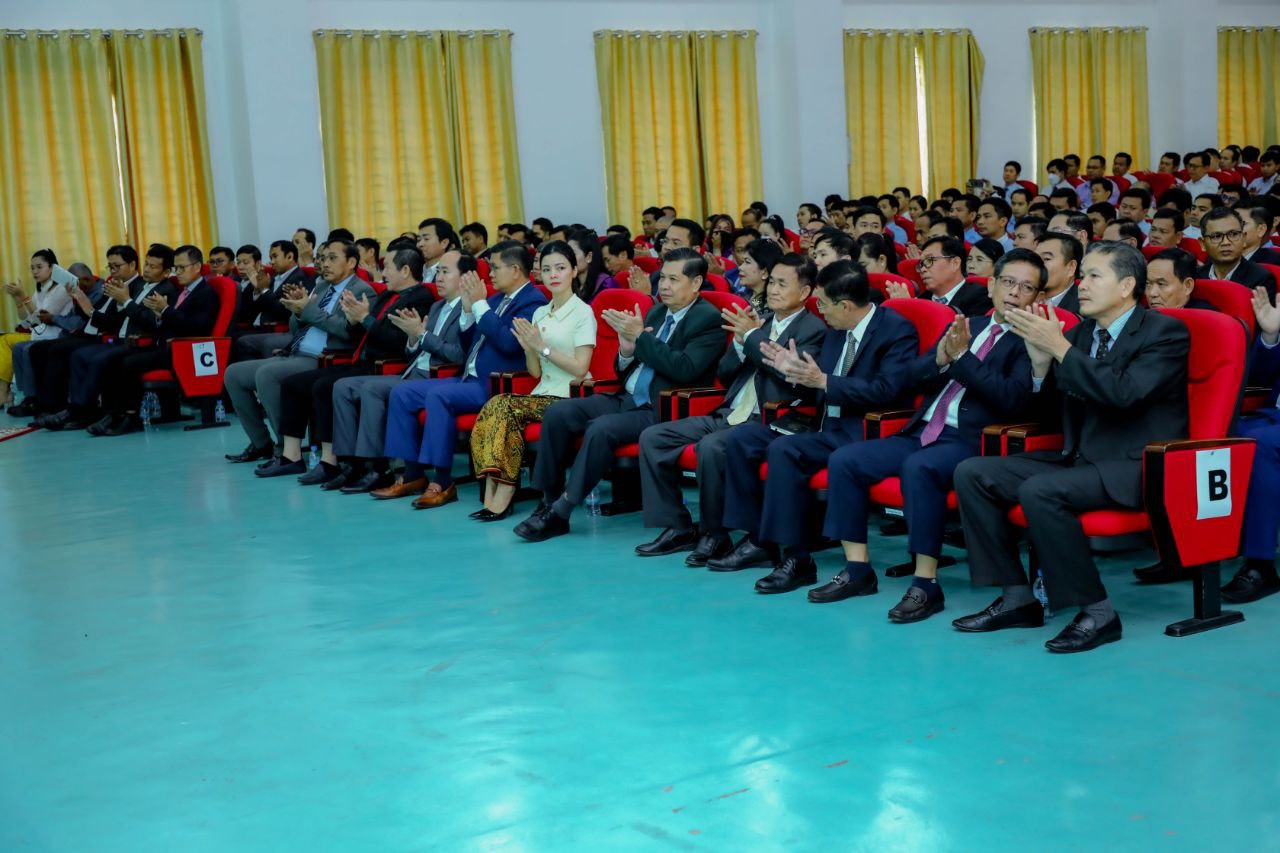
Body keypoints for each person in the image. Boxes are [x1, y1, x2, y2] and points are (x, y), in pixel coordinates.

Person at [952, 241, 1191, 653]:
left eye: (1095, 276)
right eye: (1082, 276)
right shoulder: (1080, 334)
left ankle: (1099, 612)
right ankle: (1017, 597)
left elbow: (1124, 394)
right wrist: (1040, 368)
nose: (1082, 285)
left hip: (1135, 464)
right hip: (1079, 457)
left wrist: (1059, 349)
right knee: (974, 473)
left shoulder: (1164, 332)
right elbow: (1051, 414)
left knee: (1040, 490)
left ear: (1126, 286)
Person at [814, 249, 1041, 618]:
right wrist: (940, 359)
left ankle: (925, 583)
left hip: (971, 440)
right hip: (921, 430)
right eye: (1009, 282)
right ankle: (857, 570)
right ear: (992, 285)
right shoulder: (969, 325)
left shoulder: (1030, 340)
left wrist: (963, 359)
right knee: (846, 460)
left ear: (1037, 297)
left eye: (1026, 287)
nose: (1015, 292)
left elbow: (1011, 399)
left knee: (919, 468)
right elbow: (911, 376)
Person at [707, 261, 919, 588]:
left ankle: (797, 557)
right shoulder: (836, 329)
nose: (819, 311)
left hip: (863, 430)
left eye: (822, 304)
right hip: (820, 423)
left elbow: (886, 390)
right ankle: (758, 539)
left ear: (845, 305)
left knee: (784, 450)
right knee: (743, 438)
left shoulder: (896, 331)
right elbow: (815, 381)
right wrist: (791, 370)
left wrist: (822, 381)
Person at [513, 247, 724, 542]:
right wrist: (626, 350)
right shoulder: (657, 311)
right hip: (627, 396)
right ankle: (548, 500)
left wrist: (640, 339)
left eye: (673, 280)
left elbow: (685, 369)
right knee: (559, 412)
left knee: (601, 428)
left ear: (697, 282)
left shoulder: (707, 319)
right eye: (662, 277)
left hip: (662, 406)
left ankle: (562, 510)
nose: (664, 285)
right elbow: (628, 367)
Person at [634, 254, 827, 562]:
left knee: (711, 447)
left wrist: (751, 337)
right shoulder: (760, 321)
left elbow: (788, 375)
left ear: (804, 292)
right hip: (730, 412)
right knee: (653, 437)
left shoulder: (813, 329)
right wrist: (739, 343)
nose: (773, 290)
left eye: (782, 284)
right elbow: (724, 374)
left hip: (767, 419)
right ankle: (679, 526)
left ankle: (715, 534)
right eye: (772, 282)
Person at [372, 240, 546, 507]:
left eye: (495, 268)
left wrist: (478, 306)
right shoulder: (495, 299)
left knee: (439, 396)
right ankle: (412, 474)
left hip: (497, 384)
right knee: (402, 392)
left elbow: (509, 343)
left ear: (515, 270)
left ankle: (442, 481)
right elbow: (468, 346)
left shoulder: (532, 301)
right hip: (469, 378)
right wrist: (467, 312)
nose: (489, 274)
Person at [255, 245, 437, 483]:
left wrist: (364, 319)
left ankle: (335, 461)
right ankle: (294, 457)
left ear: (405, 271)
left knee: (323, 386)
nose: (382, 273)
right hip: (361, 360)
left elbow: (396, 342)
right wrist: (354, 320)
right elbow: (358, 334)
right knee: (294, 384)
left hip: (384, 365)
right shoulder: (387, 295)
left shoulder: (420, 298)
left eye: (387, 267)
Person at [467, 242, 597, 519]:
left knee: (502, 405)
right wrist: (529, 348)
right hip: (542, 392)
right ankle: (492, 492)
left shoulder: (583, 312)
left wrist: (542, 347)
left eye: (560, 268)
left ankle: (503, 495)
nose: (553, 275)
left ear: (574, 271)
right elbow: (535, 372)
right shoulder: (540, 312)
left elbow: (580, 368)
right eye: (547, 269)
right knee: (494, 407)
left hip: (571, 396)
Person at [223, 240, 377, 463]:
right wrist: (297, 312)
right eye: (323, 258)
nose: (325, 263)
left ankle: (285, 448)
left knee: (266, 375)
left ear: (352, 262)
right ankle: (261, 443)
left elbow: (346, 331)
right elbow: (296, 329)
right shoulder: (322, 287)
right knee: (233, 374)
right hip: (297, 352)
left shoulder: (362, 291)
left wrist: (308, 310)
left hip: (325, 357)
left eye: (332, 258)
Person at [329, 251, 469, 494]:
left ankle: (379, 467)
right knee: (343, 386)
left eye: (445, 272)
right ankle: (351, 463)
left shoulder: (467, 310)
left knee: (373, 389)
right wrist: (414, 337)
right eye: (437, 271)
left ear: (465, 277)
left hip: (437, 377)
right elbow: (412, 351)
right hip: (412, 372)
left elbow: (458, 355)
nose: (438, 277)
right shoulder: (437, 306)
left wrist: (422, 334)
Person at [90, 245, 222, 436]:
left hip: (184, 350)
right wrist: (161, 315)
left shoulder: (206, 293)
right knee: (114, 359)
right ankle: (114, 414)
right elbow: (170, 321)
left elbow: (197, 328)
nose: (177, 273)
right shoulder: (184, 291)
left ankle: (131, 417)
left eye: (182, 268)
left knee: (129, 363)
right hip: (165, 346)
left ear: (197, 267)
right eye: (176, 268)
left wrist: (165, 310)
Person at [1222, 287, 1280, 602]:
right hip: (1273, 413)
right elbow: (1259, 377)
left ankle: (1260, 564)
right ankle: (1195, 551)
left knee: (1258, 445)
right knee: (1216, 434)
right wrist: (1270, 336)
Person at [0, 249, 73, 407]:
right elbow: (27, 321)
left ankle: (14, 394)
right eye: (32, 268)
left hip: (56, 335)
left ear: (52, 267)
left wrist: (24, 297)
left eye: (39, 267)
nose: (34, 271)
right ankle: (23, 394)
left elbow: (43, 316)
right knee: (10, 342)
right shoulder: (40, 289)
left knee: (18, 346)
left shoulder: (62, 289)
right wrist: (18, 299)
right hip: (40, 334)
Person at [233, 241, 317, 355]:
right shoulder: (272, 277)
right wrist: (257, 291)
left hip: (276, 329)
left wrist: (264, 290)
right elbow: (257, 307)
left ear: (290, 256)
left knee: (241, 341)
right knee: (232, 336)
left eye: (275, 257)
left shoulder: (298, 279)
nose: (272, 262)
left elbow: (283, 310)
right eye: (270, 258)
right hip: (257, 326)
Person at [1197, 207, 1276, 297]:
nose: (1226, 242)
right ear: (1203, 244)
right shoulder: (1195, 276)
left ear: (1243, 239)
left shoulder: (1261, 279)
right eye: (1216, 236)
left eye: (1233, 234)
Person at [915, 236, 993, 316]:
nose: (923, 269)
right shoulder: (921, 300)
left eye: (929, 260)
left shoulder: (980, 296)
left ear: (955, 263)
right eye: (921, 264)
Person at [1145, 248, 1213, 310]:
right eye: (1147, 284)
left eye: (1161, 284)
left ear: (1187, 286)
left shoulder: (1206, 315)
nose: (1152, 293)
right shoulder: (1143, 314)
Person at [1035, 232, 1082, 313]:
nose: (1036, 264)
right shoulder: (1023, 296)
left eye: (1046, 259)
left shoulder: (1083, 308)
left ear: (1071, 267)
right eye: (1035, 258)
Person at [734, 238, 785, 313]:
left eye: (747, 262)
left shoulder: (769, 308)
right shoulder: (745, 293)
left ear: (765, 273)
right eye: (743, 262)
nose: (740, 267)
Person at [566, 227, 615, 304]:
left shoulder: (606, 284)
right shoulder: (570, 283)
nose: (567, 258)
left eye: (573, 254)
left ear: (589, 257)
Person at [415, 218, 460, 283]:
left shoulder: (454, 273)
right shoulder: (414, 271)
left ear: (444, 243)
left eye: (426, 239)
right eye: (418, 240)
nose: (420, 244)